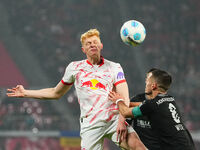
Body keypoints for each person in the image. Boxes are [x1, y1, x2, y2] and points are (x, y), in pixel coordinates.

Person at [7, 29, 147, 150]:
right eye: (88, 43)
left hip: (114, 119)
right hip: (90, 124)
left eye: (95, 42)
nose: (92, 44)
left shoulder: (114, 67)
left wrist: (122, 120)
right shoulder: (74, 68)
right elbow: (55, 93)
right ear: (83, 50)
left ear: (101, 45)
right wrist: (26, 92)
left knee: (138, 146)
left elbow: (124, 96)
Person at [109, 69, 196, 150]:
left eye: (148, 81)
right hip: (188, 145)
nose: (145, 83)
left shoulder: (152, 104)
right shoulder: (170, 99)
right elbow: (143, 105)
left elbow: (125, 112)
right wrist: (126, 101)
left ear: (153, 86)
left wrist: (118, 100)